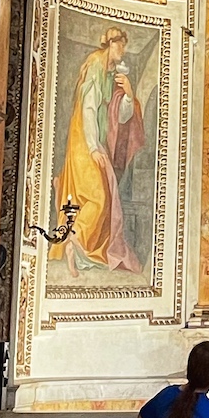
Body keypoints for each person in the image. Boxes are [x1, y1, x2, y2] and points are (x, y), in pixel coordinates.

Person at [50, 26, 143, 275]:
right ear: (110, 44)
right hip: (84, 138)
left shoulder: (113, 74)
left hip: (94, 140)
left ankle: (76, 246)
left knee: (104, 198)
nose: (123, 49)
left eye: (124, 44)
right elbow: (88, 108)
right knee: (98, 197)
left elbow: (122, 116)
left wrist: (129, 94)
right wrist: (92, 147)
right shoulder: (95, 65)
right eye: (120, 44)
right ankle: (74, 240)